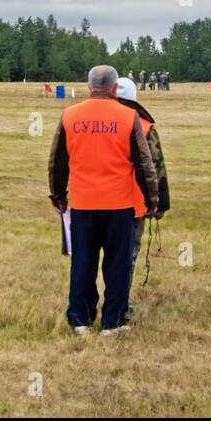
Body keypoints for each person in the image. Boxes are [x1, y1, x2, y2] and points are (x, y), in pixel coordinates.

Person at [47, 65, 157, 335]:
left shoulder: (69, 115)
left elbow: (57, 161)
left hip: (83, 204)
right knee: (117, 264)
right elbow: (145, 164)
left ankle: (80, 319)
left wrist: (59, 194)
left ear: (88, 87)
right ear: (115, 88)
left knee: (82, 262)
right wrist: (152, 198)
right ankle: (113, 321)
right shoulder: (128, 116)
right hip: (119, 205)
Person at [114, 77, 171, 293]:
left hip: (95, 202)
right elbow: (157, 167)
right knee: (127, 254)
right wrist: (160, 204)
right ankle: (119, 304)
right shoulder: (145, 126)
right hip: (133, 203)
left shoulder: (98, 123)